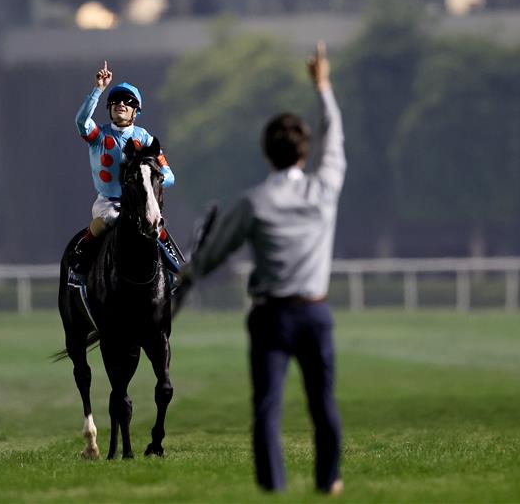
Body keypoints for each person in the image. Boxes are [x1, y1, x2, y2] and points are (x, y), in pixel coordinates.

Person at [179, 41, 345, 495]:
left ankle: (273, 487)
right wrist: (323, 87)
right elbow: (336, 142)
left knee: (267, 409)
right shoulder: (323, 191)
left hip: (271, 316)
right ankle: (328, 480)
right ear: (303, 153)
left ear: (266, 153)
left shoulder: (254, 202)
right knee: (323, 405)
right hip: (314, 312)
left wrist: (186, 276)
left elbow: (215, 251)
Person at [70, 61, 180, 284]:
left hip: (140, 203)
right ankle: (80, 261)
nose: (121, 103)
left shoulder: (146, 138)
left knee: (155, 222)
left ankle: (174, 265)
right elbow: (81, 121)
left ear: (136, 111)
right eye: (115, 100)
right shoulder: (98, 135)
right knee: (109, 219)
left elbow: (169, 175)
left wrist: (154, 180)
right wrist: (98, 90)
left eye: (128, 101)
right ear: (109, 107)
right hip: (108, 203)